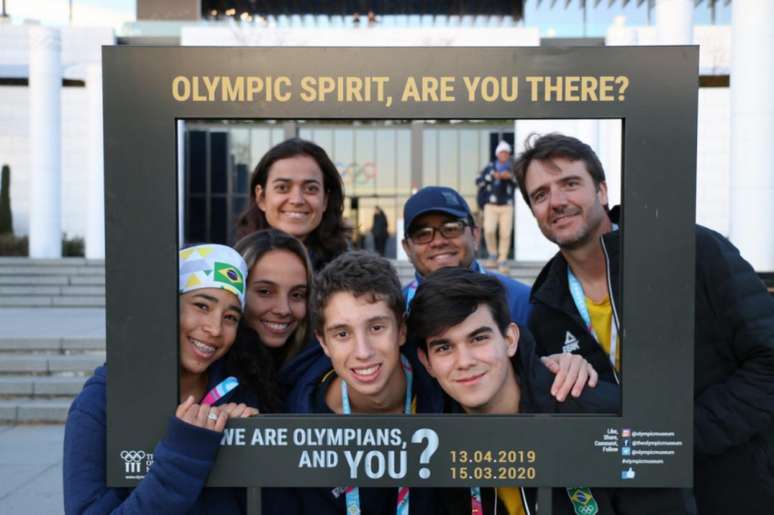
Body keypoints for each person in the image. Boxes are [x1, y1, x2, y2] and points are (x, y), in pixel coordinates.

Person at [514, 132, 774, 515]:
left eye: (570, 183)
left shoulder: (691, 250)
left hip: (735, 490)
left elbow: (767, 363)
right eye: (540, 195)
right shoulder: (545, 306)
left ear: (602, 191)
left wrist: (674, 439)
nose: (556, 202)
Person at [282, 252, 599, 514]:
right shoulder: (293, 421)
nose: (362, 352)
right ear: (323, 343)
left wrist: (545, 368)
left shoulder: (445, 385)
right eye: (342, 334)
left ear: (402, 331)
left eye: (377, 327)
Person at [407, 267, 624, 515]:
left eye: (478, 339)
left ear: (510, 340)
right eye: (444, 347)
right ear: (427, 363)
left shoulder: (601, 418)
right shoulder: (434, 451)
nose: (464, 361)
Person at [63, 244, 257, 514]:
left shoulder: (238, 395)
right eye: (201, 305)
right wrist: (186, 454)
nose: (214, 328)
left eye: (230, 317)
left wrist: (246, 437)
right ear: (167, 305)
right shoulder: (99, 403)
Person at [401, 186, 531, 328]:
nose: (438, 242)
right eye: (423, 234)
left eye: (451, 228)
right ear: (407, 248)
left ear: (475, 235)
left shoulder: (523, 303)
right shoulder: (396, 313)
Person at [227, 229, 315, 410]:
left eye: (297, 294)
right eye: (265, 292)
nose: (284, 309)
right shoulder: (208, 370)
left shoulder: (324, 364)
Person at [236, 138, 349, 271]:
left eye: (311, 189)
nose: (297, 200)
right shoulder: (231, 271)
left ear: (325, 200)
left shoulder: (353, 279)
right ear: (261, 197)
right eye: (282, 187)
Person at [476, 140, 517, 273]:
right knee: (489, 230)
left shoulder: (512, 168)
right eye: (502, 152)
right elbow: (478, 181)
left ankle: (502, 259)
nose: (504, 155)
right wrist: (492, 177)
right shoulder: (490, 167)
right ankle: (493, 254)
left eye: (506, 153)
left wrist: (509, 177)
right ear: (497, 154)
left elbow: (519, 182)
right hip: (491, 204)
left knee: (505, 233)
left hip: (507, 205)